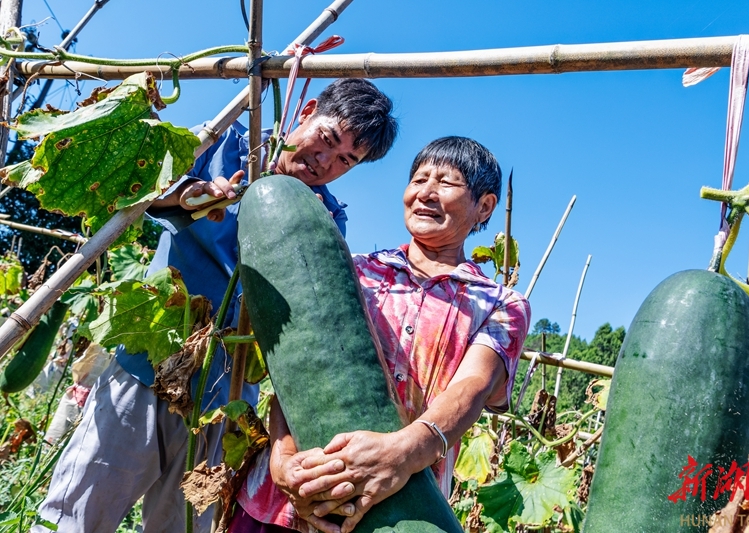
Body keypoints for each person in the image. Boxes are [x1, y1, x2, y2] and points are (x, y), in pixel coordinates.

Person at [33, 78, 398, 533]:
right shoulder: (229, 142)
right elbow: (144, 191)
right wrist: (192, 195)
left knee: (180, 527)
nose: (324, 161)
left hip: (226, 401)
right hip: (151, 364)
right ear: (305, 111)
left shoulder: (325, 216)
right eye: (326, 139)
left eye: (346, 160)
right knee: (76, 518)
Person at [230, 136, 531, 533]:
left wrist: (401, 453)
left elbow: (473, 386)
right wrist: (283, 459)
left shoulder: (499, 303)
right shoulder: (354, 269)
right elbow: (298, 368)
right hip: (287, 500)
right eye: (419, 179)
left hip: (397, 510)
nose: (426, 192)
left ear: (485, 206)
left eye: (446, 182)